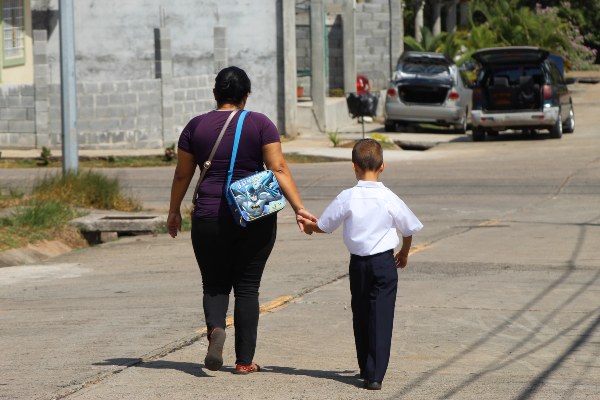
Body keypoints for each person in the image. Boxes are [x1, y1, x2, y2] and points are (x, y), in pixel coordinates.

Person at [167, 66, 315, 375]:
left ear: (215, 94)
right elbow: (279, 168)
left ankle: (215, 330)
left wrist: (172, 211)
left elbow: (183, 174)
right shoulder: (261, 124)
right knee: (248, 287)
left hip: (208, 216)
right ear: (245, 96)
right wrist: (299, 207)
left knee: (214, 284)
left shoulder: (195, 126)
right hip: (254, 215)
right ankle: (245, 361)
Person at [300, 139, 423, 390]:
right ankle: (375, 374)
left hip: (358, 265)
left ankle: (365, 368)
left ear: (354, 166)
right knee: (382, 315)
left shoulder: (348, 196)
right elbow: (408, 228)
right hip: (384, 263)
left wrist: (311, 227)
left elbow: (325, 225)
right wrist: (405, 252)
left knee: (362, 312)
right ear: (383, 167)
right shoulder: (389, 197)